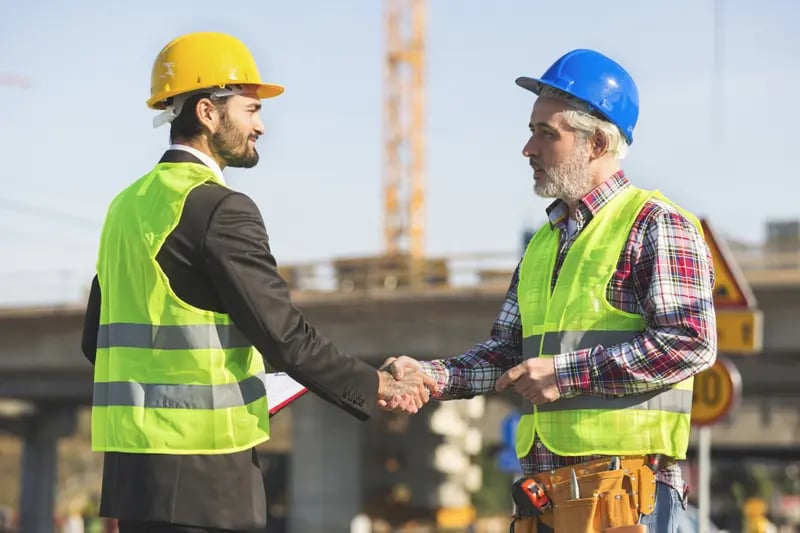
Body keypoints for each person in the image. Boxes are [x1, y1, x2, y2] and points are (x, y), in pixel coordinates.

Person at [81, 31, 434, 533]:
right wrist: (375, 383)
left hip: (134, 475)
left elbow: (97, 341)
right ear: (207, 112)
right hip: (209, 475)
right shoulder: (221, 209)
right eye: (250, 110)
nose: (261, 126)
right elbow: (283, 334)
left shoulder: (126, 207)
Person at [381, 49, 717, 532]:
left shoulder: (656, 226)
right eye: (531, 131)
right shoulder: (545, 242)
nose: (528, 149)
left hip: (624, 500)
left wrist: (567, 373)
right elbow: (506, 355)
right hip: (548, 500)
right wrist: (429, 376)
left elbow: (691, 343)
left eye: (546, 134)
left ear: (596, 143)